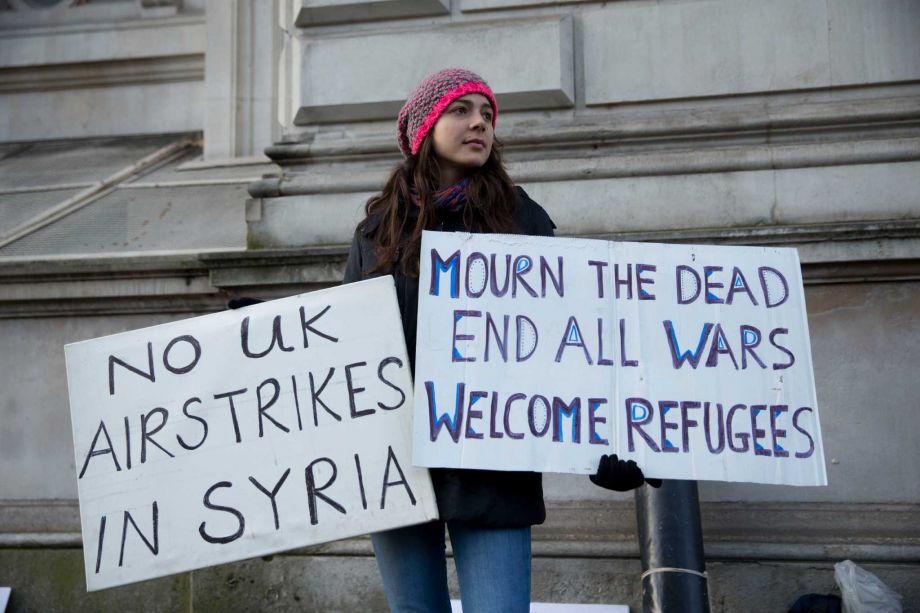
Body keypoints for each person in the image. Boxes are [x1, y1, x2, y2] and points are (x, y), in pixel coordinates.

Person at [342, 68, 657, 613]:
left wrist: (604, 443)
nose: (479, 123)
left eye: (487, 114)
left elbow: (567, 346)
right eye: (460, 111)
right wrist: (274, 335)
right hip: (397, 470)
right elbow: (348, 345)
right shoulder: (376, 234)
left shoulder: (521, 220)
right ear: (423, 130)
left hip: (492, 469)